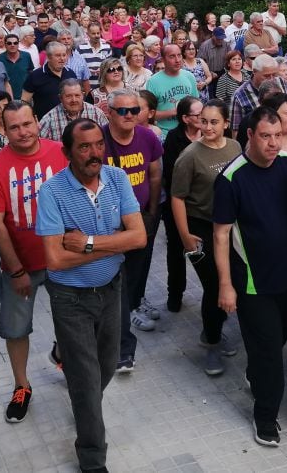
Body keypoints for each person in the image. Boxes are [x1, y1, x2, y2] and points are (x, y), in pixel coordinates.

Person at [36, 118, 145, 473]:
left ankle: (66, 361)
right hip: (70, 297)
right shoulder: (52, 191)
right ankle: (92, 457)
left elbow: (140, 237)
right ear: (67, 152)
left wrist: (88, 243)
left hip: (112, 289)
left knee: (109, 363)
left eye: (99, 144)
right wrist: (115, 245)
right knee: (84, 380)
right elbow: (54, 258)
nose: (94, 152)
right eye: (84, 147)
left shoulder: (117, 179)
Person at [0, 101, 70, 423]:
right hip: (21, 265)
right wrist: (15, 269)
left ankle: (64, 357)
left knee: (72, 320)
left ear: (37, 122)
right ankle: (21, 385)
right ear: (5, 128)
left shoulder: (60, 153)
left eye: (27, 124)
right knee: (16, 329)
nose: (23, 132)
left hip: (62, 260)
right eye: (14, 127)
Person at [213, 107, 287, 447]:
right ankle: (265, 416)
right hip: (251, 282)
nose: (273, 143)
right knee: (270, 354)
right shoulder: (231, 178)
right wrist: (225, 285)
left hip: (286, 277)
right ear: (249, 136)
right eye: (265, 136)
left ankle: (255, 374)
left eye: (278, 135)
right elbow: (220, 235)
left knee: (276, 340)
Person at [169, 99, 241, 375]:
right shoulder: (189, 156)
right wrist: (185, 235)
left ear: (225, 123)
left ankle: (215, 331)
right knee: (214, 287)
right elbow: (177, 198)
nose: (208, 126)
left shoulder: (234, 147)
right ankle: (211, 343)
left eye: (214, 122)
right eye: (204, 121)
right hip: (200, 227)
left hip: (229, 226)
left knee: (229, 281)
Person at [103, 89, 164, 370]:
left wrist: (152, 212)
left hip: (141, 219)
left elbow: (154, 174)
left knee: (134, 279)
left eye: (134, 110)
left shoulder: (148, 137)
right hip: (108, 224)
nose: (130, 116)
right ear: (109, 112)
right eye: (123, 111)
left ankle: (124, 320)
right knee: (119, 282)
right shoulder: (99, 139)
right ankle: (122, 346)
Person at [161, 97, 204, 313]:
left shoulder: (210, 134)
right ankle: (175, 294)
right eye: (198, 115)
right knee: (176, 251)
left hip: (203, 206)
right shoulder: (174, 139)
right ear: (185, 119)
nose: (203, 117)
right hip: (178, 204)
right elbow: (170, 176)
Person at [146, 44, 199, 136]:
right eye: (172, 56)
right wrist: (174, 111)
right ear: (163, 60)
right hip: (165, 134)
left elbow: (197, 106)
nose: (177, 60)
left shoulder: (189, 77)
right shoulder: (153, 81)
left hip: (189, 132)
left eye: (179, 55)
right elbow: (148, 114)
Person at [23, 41, 79, 120]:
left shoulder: (71, 73)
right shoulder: (35, 76)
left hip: (69, 122)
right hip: (44, 123)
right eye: (58, 55)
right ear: (48, 57)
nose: (62, 58)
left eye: (64, 55)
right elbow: (24, 101)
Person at [229, 54, 285, 133]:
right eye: (267, 76)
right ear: (254, 71)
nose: (272, 79)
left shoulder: (280, 82)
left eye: (274, 75)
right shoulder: (240, 95)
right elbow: (236, 131)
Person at [40, 79, 109, 141]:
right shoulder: (48, 119)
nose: (74, 100)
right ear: (60, 98)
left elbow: (108, 139)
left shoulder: (97, 113)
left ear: (83, 95)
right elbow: (40, 144)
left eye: (77, 95)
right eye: (68, 96)